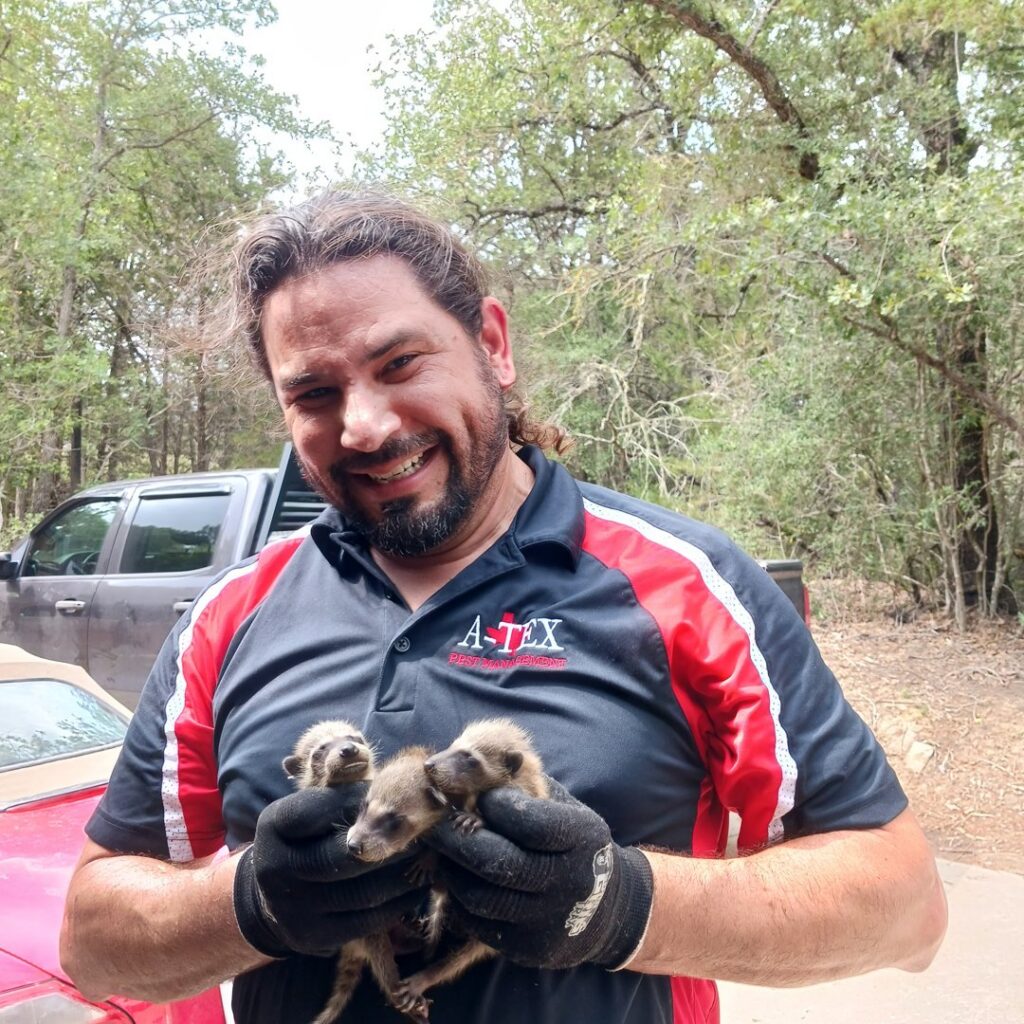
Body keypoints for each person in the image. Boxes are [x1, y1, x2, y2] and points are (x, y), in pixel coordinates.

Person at [60, 190, 946, 1024]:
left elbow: (904, 908)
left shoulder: (686, 583)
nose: (363, 424)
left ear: (492, 343)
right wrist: (250, 902)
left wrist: (625, 905)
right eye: (315, 394)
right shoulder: (228, 612)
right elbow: (93, 943)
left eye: (399, 362)